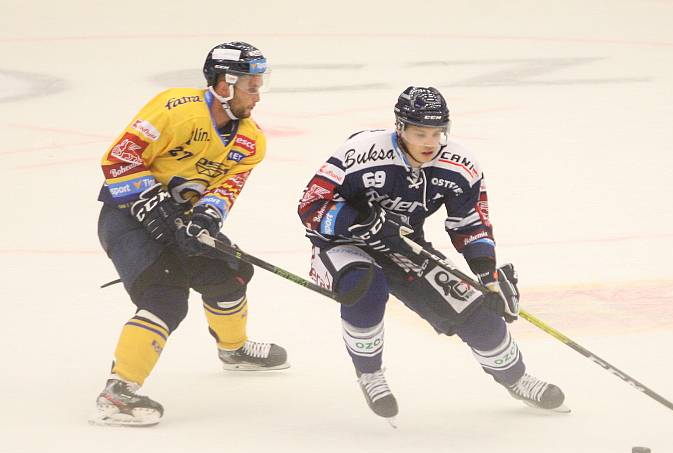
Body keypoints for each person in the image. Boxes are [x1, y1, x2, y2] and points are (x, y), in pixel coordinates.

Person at [297, 86, 566, 423]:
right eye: (420, 132)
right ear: (400, 127)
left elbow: (470, 223)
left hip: (404, 247)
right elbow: (310, 205)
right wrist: (362, 220)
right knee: (366, 285)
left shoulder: (460, 164)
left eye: (438, 132)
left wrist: (488, 274)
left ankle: (517, 379)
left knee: (477, 312)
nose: (430, 142)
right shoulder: (360, 152)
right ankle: (369, 373)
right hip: (340, 243)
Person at [92, 41, 289, 427]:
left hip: (180, 221)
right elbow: (119, 161)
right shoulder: (174, 108)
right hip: (127, 216)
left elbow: (225, 190)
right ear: (224, 83)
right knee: (164, 297)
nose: (258, 95)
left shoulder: (251, 140)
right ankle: (118, 392)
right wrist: (156, 208)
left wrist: (205, 220)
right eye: (252, 84)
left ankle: (233, 350)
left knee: (228, 274)